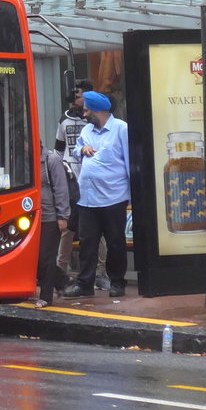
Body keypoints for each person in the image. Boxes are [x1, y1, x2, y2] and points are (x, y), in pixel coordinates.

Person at [64, 91, 130, 299]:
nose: (84, 115)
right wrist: (82, 150)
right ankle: (85, 284)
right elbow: (76, 150)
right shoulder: (87, 131)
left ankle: (117, 282)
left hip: (113, 197)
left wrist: (133, 195)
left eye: (86, 110)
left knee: (115, 243)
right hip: (87, 199)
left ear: (98, 110)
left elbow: (129, 160)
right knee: (87, 243)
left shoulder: (121, 129)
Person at [54, 80, 97, 280]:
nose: (74, 100)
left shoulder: (94, 120)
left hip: (90, 180)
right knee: (68, 228)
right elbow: (59, 148)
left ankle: (99, 272)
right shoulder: (65, 118)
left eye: (77, 96)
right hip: (70, 179)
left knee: (96, 229)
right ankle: (60, 272)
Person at [35, 143, 71, 308]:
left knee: (46, 257)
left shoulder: (52, 160)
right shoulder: (24, 160)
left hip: (50, 216)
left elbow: (61, 189)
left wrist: (62, 215)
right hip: (32, 215)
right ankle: (62, 280)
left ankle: (46, 296)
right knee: (36, 257)